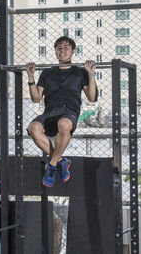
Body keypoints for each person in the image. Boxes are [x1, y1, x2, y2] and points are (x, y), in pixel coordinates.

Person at [26, 36, 98, 187]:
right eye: (59, 48)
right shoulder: (47, 72)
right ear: (55, 52)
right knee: (33, 128)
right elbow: (36, 98)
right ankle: (60, 161)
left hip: (69, 111)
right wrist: (31, 77)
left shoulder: (80, 72)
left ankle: (52, 166)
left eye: (66, 47)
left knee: (64, 124)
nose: (62, 50)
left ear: (72, 51)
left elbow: (92, 97)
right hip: (50, 111)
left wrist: (91, 74)